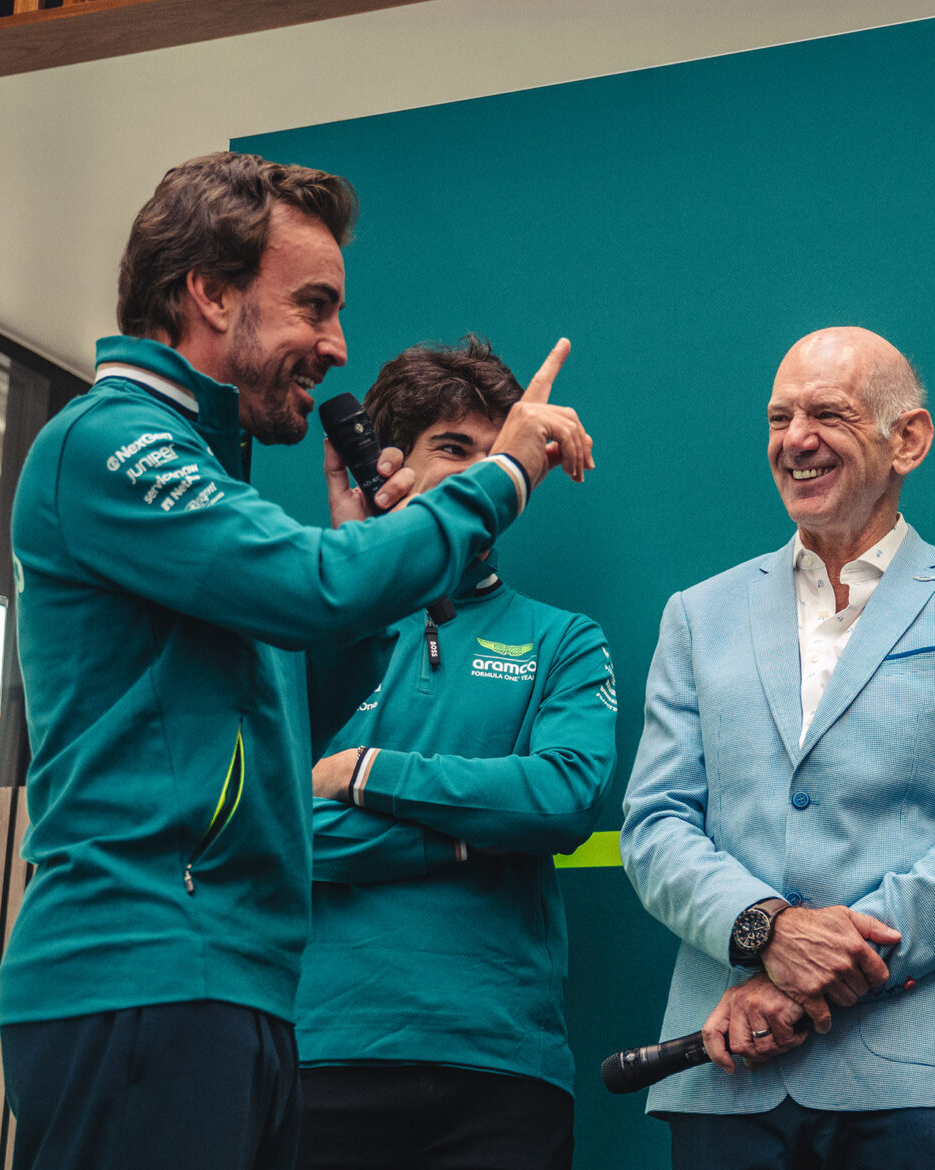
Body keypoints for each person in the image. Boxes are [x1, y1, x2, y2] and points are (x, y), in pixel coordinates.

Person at [0, 153, 593, 1170]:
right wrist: (501, 476)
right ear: (210, 292)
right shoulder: (107, 441)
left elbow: (287, 712)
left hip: (239, 982)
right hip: (144, 967)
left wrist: (361, 582)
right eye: (313, 305)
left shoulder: (207, 476)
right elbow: (315, 587)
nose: (336, 344)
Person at [619, 327, 935, 1169]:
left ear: (908, 440)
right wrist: (765, 930)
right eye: (779, 418)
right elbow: (655, 827)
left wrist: (823, 964)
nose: (796, 440)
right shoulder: (696, 615)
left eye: (828, 413)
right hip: (724, 1073)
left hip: (912, 1082)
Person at [293, 337, 617, 1170]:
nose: (483, 472)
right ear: (389, 465)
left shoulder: (564, 640)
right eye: (453, 449)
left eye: (496, 451)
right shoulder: (311, 630)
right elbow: (277, 833)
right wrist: (472, 839)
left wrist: (366, 774)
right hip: (320, 1049)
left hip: (502, 1065)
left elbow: (564, 798)